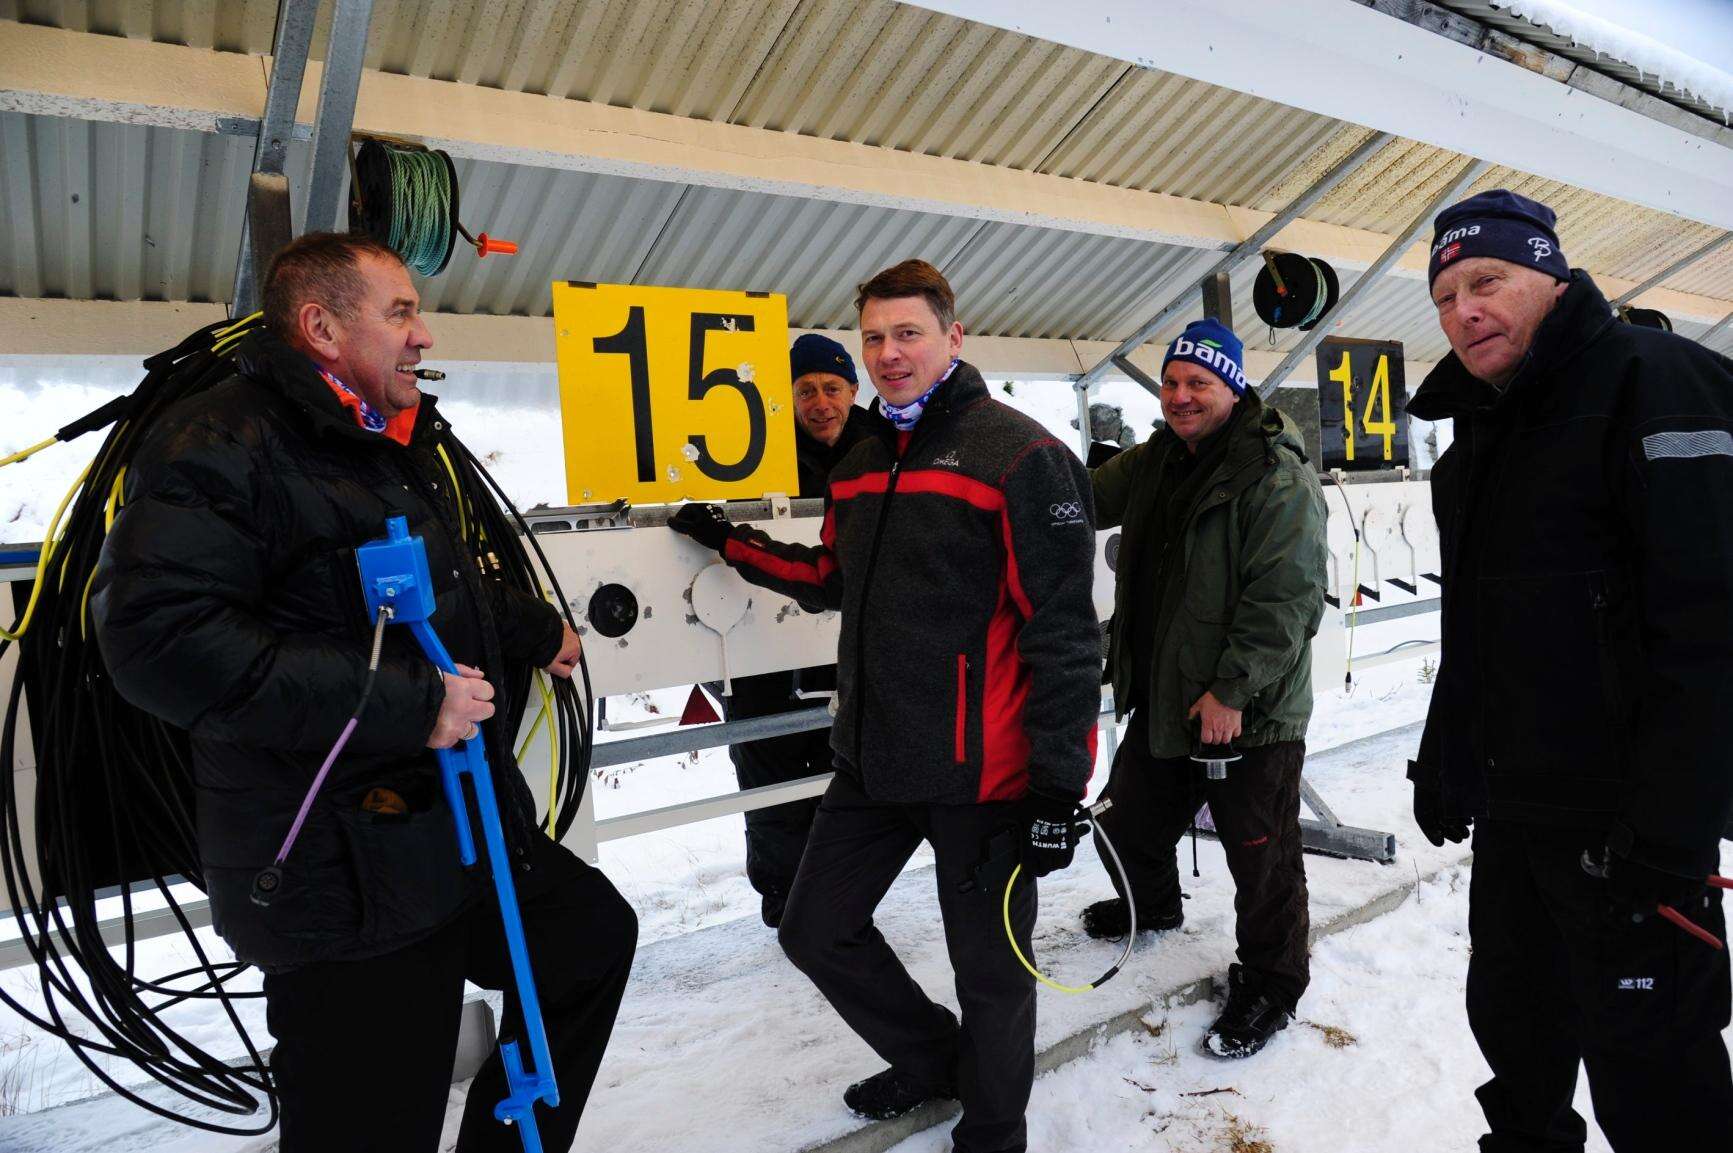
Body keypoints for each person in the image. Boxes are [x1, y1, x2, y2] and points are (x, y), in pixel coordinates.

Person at [92, 231, 638, 1153]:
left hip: (451, 834)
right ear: (321, 328)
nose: (424, 334)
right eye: (401, 313)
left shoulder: (380, 438)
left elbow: (418, 580)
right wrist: (413, 706)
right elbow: (158, 641)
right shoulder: (219, 441)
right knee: (372, 1124)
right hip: (339, 871)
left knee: (587, 940)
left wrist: (531, 627)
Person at [669, 259, 1100, 1153]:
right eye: (874, 337)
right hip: (871, 759)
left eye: (908, 333)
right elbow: (831, 576)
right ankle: (938, 1058)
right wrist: (727, 541)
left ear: (952, 336)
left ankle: (993, 1132)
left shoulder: (1021, 455)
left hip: (983, 772)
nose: (888, 353)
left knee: (991, 973)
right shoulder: (862, 462)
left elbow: (1063, 632)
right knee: (813, 929)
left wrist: (1060, 787)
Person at [1408, 189, 1733, 1151]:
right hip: (1517, 819)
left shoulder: (1659, 383)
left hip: (1630, 830)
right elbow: (1477, 627)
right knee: (1517, 1043)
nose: (1462, 310)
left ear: (1551, 278)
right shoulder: (1476, 440)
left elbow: (1712, 628)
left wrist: (1673, 831)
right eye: (1443, 297)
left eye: (1486, 281)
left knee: (1656, 1077)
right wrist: (1447, 751)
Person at [1079, 317, 1326, 1059]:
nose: (1180, 396)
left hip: (1247, 710)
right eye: (1171, 382)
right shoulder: (1157, 458)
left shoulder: (1272, 474)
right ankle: (1153, 907)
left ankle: (1273, 984)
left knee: (1261, 857)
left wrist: (1232, 690)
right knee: (1121, 824)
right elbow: (1079, 497)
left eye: (1198, 382)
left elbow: (1287, 598)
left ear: (1233, 387)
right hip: (1166, 695)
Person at [721, 333, 870, 927]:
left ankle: (845, 894)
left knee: (847, 775)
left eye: (832, 388)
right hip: (764, 648)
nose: (820, 403)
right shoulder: (752, 455)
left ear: (853, 390)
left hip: (849, 646)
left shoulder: (883, 450)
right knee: (769, 770)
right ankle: (782, 897)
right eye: (805, 391)